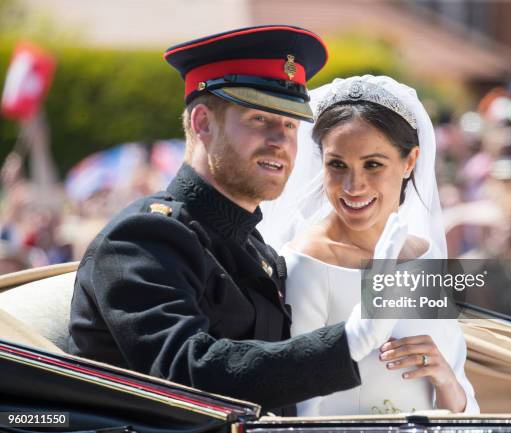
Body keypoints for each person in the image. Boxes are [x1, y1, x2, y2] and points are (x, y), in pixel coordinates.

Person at [68, 27, 401, 416]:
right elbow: (187, 374)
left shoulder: (256, 248)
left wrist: (440, 378)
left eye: (291, 125)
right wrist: (348, 340)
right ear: (202, 123)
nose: (281, 140)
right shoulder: (142, 239)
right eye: (260, 118)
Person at [260, 75, 479, 414]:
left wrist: (445, 378)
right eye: (337, 165)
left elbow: (461, 398)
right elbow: (300, 408)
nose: (353, 185)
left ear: (409, 161)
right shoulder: (307, 261)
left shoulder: (425, 256)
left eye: (373, 164)